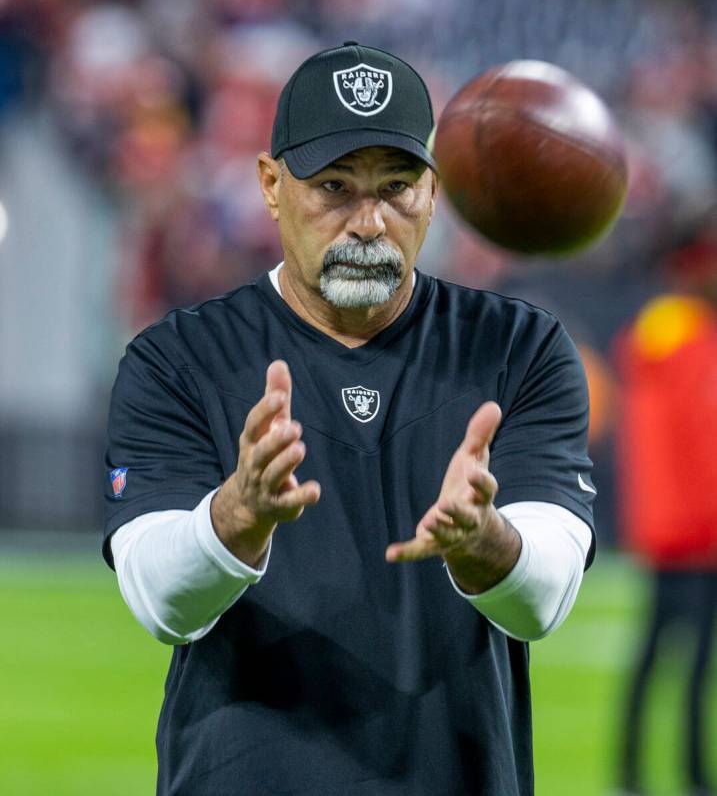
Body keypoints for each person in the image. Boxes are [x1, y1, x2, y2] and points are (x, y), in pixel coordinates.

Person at [103, 42, 596, 796]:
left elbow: (544, 597)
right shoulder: (178, 358)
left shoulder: (517, 349)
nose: (367, 221)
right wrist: (239, 513)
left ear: (433, 192)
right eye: (333, 186)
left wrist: (481, 543)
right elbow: (158, 596)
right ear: (270, 184)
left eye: (396, 187)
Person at [613, 233, 717, 796]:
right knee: (665, 658)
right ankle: (645, 771)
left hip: (699, 533)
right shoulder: (674, 329)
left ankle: (681, 771)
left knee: (689, 662)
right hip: (683, 534)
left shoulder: (696, 335)